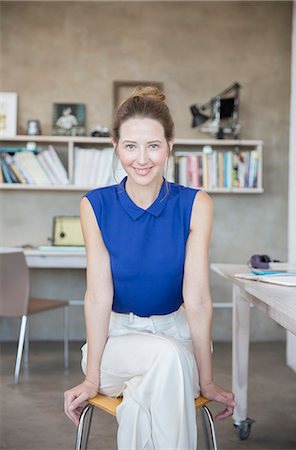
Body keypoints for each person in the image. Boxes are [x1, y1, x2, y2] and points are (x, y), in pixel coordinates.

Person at [64, 86, 236, 450]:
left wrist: (207, 380)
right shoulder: (95, 205)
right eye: (130, 146)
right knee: (166, 358)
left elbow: (198, 298)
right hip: (115, 344)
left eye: (153, 145)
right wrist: (91, 378)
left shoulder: (195, 204)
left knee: (148, 394)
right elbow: (97, 296)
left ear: (170, 144)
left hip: (177, 336)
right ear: (116, 145)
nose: (142, 159)